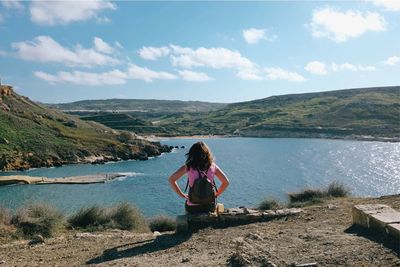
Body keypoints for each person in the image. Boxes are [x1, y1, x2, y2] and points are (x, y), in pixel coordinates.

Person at [168, 141, 230, 213]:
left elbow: (171, 179)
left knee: (189, 209)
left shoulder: (188, 167)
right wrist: (215, 195)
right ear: (207, 154)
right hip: (209, 206)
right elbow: (226, 182)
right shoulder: (213, 166)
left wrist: (181, 194)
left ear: (192, 154)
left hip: (192, 207)